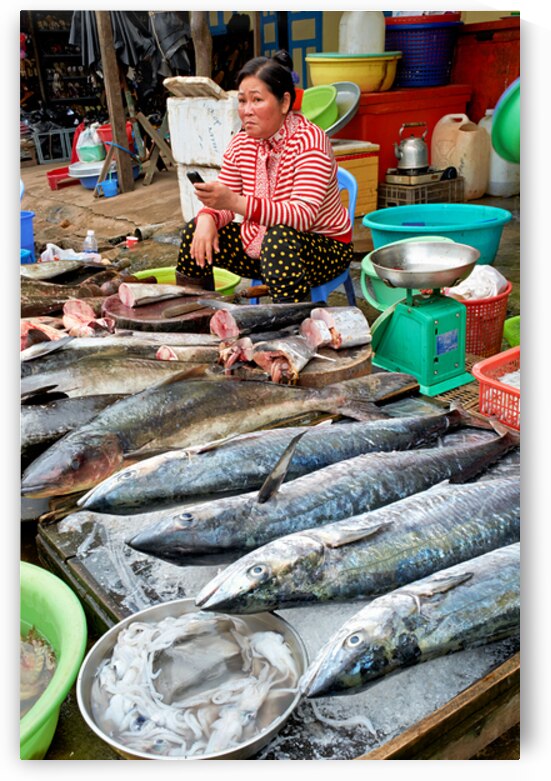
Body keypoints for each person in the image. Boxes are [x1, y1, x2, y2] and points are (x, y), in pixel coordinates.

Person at [176, 50, 354, 302]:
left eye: (257, 100)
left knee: (279, 240)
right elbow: (225, 199)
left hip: (322, 248)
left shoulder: (310, 141)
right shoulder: (240, 143)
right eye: (242, 101)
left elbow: (301, 216)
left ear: (284, 102)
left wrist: (235, 202)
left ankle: (291, 329)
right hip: (260, 246)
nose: (246, 110)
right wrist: (208, 217)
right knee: (194, 232)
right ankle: (196, 317)